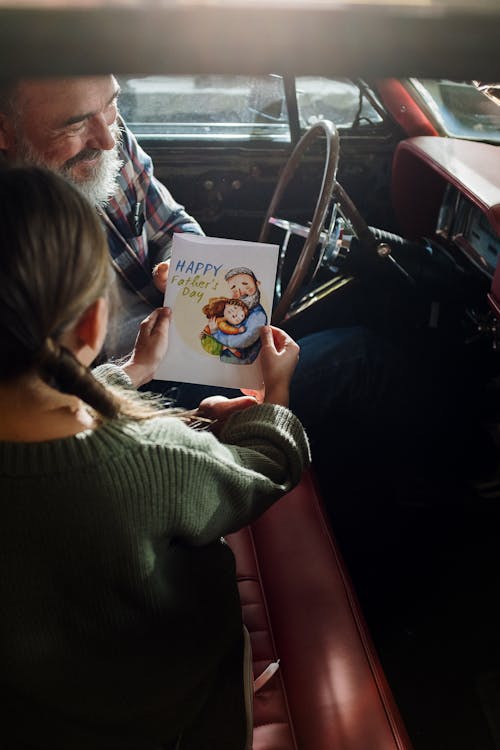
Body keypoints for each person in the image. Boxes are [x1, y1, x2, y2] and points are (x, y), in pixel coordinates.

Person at [0, 165, 310, 749]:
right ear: (94, 321)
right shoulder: (152, 460)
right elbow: (265, 471)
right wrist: (276, 398)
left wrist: (132, 373)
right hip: (172, 714)